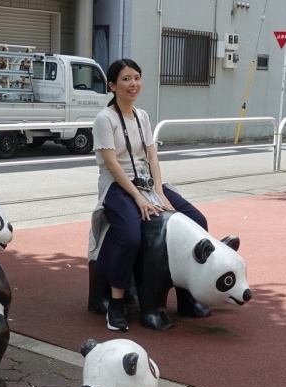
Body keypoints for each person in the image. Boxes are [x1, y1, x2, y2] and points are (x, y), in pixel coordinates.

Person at [90, 58, 209, 332]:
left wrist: (159, 192)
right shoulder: (104, 119)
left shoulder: (142, 116)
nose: (133, 84)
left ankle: (187, 294)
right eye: (126, 79)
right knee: (131, 236)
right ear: (112, 85)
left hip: (148, 184)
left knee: (197, 221)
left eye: (136, 78)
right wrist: (139, 198)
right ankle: (117, 303)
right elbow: (111, 164)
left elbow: (152, 157)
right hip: (117, 186)